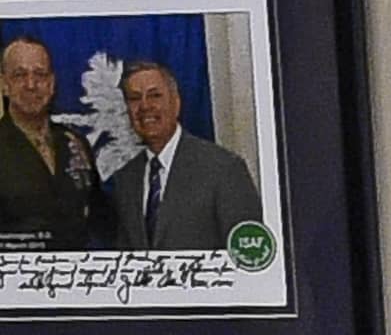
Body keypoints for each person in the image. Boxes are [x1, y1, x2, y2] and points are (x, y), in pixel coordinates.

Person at [100, 59, 262, 254]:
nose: (145, 106)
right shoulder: (125, 179)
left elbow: (249, 255)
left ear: (176, 103)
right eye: (134, 98)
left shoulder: (223, 169)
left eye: (155, 95)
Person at [0, 36, 103, 252]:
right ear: (4, 85)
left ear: (52, 84)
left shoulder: (74, 143)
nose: (31, 85)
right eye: (20, 75)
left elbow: (98, 216)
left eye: (40, 74)